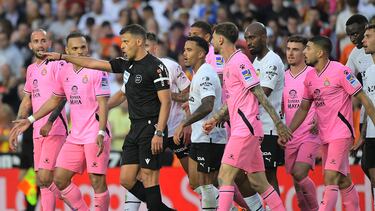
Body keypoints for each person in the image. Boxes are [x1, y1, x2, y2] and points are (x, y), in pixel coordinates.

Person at [42, 24, 174, 211]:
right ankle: (161, 208)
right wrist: (62, 57)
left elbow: (166, 102)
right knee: (126, 180)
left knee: (148, 177)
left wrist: (159, 132)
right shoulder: (127, 64)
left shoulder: (156, 66)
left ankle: (157, 208)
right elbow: (93, 63)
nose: (122, 45)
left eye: (126, 41)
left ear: (138, 42)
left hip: (152, 127)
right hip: (135, 127)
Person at [10, 32, 112, 211]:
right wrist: (27, 120)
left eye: (82, 47)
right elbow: (52, 98)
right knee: (50, 179)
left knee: (95, 180)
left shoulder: (81, 67)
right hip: (61, 133)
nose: (79, 51)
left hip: (81, 131)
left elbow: (102, 104)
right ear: (67, 50)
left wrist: (101, 131)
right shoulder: (52, 70)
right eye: (75, 48)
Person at [203, 22, 291, 211]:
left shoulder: (240, 61)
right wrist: (215, 118)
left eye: (212, 39)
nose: (211, 44)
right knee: (260, 182)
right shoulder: (231, 63)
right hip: (246, 128)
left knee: (224, 176)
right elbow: (235, 99)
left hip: (245, 129)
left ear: (220, 39)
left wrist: (278, 123)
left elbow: (259, 92)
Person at [286, 35, 375, 211]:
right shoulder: (310, 76)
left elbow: (364, 99)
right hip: (324, 136)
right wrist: (288, 131)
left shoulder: (340, 71)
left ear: (320, 53)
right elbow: (304, 108)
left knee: (330, 177)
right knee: (343, 180)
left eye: (308, 48)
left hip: (341, 133)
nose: (304, 51)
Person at [107, 32, 190, 211]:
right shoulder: (134, 68)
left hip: (174, 128)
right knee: (136, 176)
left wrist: (186, 120)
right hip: (148, 130)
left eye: (147, 47)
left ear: (155, 48)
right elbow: (122, 94)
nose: (144, 50)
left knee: (196, 178)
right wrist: (104, 107)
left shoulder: (170, 66)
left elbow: (188, 94)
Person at [8, 29, 68, 211]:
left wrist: (50, 121)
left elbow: (62, 96)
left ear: (49, 43)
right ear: (30, 45)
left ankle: (79, 206)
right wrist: (18, 125)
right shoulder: (31, 69)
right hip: (36, 130)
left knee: (44, 177)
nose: (40, 44)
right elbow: (27, 100)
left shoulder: (58, 64)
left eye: (43, 40)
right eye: (36, 41)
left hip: (55, 128)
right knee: (41, 182)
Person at [173, 36, 227, 210]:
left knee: (206, 185)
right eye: (184, 50)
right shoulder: (197, 73)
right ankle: (231, 207)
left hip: (210, 137)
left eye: (189, 50)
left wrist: (183, 124)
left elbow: (208, 104)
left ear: (202, 53)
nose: (185, 54)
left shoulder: (205, 73)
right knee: (196, 182)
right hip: (199, 137)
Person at [244, 22, 285, 196]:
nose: (248, 42)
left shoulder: (272, 60)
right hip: (257, 127)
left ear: (264, 37)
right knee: (255, 176)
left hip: (270, 128)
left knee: (268, 176)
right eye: (246, 38)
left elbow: (263, 93)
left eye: (252, 37)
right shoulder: (256, 61)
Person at [282, 35, 320, 210]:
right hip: (290, 136)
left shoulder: (313, 74)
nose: (290, 53)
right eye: (289, 48)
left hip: (309, 134)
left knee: (299, 173)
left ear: (304, 52)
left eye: (295, 49)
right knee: (299, 192)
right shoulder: (282, 77)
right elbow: (280, 108)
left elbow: (324, 100)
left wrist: (318, 119)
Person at [361, 23, 375, 208]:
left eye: (368, 36)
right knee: (373, 178)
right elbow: (366, 104)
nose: (363, 40)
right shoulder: (369, 70)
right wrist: (362, 135)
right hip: (372, 134)